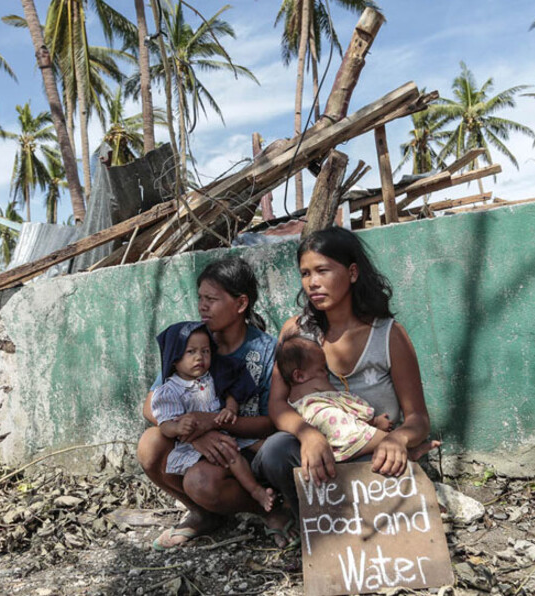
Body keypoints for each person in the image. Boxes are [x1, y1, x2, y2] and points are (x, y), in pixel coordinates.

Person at [253, 226, 433, 516]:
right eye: (305, 273)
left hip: (373, 452)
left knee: (386, 462)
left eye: (322, 270)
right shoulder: (296, 332)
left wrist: (398, 440)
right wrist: (308, 435)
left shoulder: (388, 335)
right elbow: (276, 404)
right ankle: (315, 523)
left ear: (352, 273)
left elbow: (419, 418)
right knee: (275, 451)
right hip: (316, 453)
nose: (312, 283)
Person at [137, 257, 290, 549]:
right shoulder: (193, 343)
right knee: (149, 444)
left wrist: (215, 423)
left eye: (212, 299)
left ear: (241, 303)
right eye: (200, 298)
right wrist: (195, 433)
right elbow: (151, 406)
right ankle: (203, 513)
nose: (202, 306)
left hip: (246, 450)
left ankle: (268, 510)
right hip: (196, 442)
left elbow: (273, 421)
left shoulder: (267, 350)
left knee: (201, 482)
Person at [150, 321, 274, 523]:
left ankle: (271, 490)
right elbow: (164, 422)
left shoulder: (211, 375)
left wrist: (230, 408)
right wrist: (178, 428)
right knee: (231, 457)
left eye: (205, 351)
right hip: (192, 445)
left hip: (224, 432)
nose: (200, 357)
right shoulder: (169, 390)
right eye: (191, 352)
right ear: (174, 358)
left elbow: (232, 389)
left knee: (260, 448)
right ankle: (254, 494)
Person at [276, 333, 437, 462]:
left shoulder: (294, 394)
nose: (326, 374)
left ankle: (403, 449)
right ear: (299, 375)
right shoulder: (316, 385)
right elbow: (345, 402)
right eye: (321, 370)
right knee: (344, 424)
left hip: (325, 435)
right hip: (327, 428)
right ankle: (407, 449)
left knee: (347, 427)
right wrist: (370, 416)